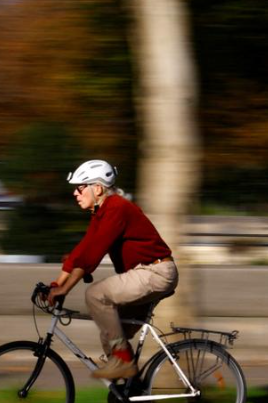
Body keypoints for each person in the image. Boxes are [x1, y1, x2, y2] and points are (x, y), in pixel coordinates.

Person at [46, 159, 178, 380]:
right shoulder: (102, 212)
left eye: (79, 188)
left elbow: (91, 255)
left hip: (155, 273)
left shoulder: (116, 208)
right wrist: (56, 285)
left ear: (97, 188)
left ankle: (124, 363)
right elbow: (82, 251)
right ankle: (128, 388)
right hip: (144, 274)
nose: (75, 194)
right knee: (111, 334)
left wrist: (64, 289)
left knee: (96, 295)